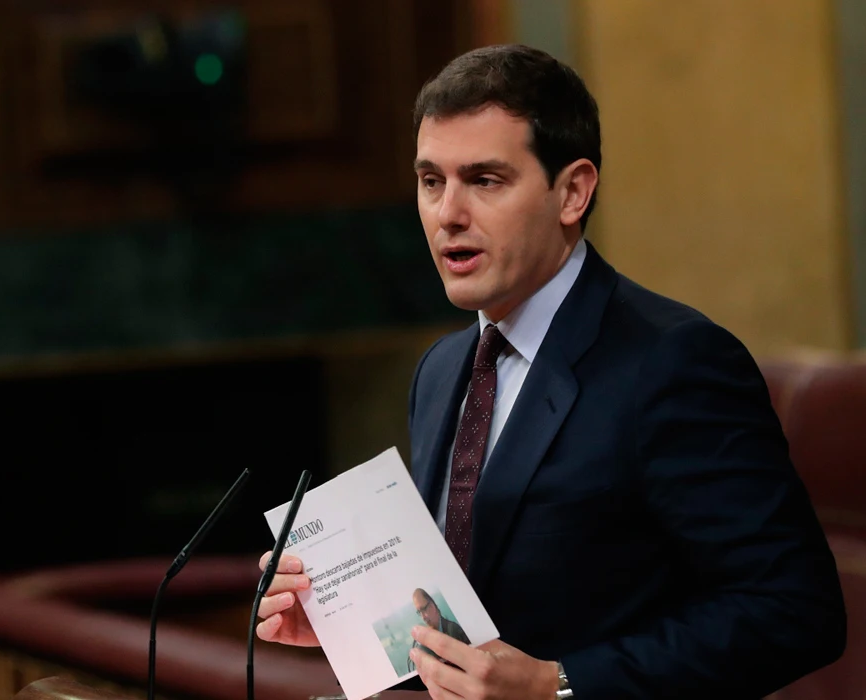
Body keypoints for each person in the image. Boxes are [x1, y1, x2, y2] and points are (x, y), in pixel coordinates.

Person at [255, 44, 846, 698]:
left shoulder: (675, 361)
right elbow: (469, 601)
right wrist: (351, 618)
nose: (448, 213)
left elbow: (795, 611)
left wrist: (558, 685)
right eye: (431, 181)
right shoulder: (442, 368)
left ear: (572, 192)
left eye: (484, 180)